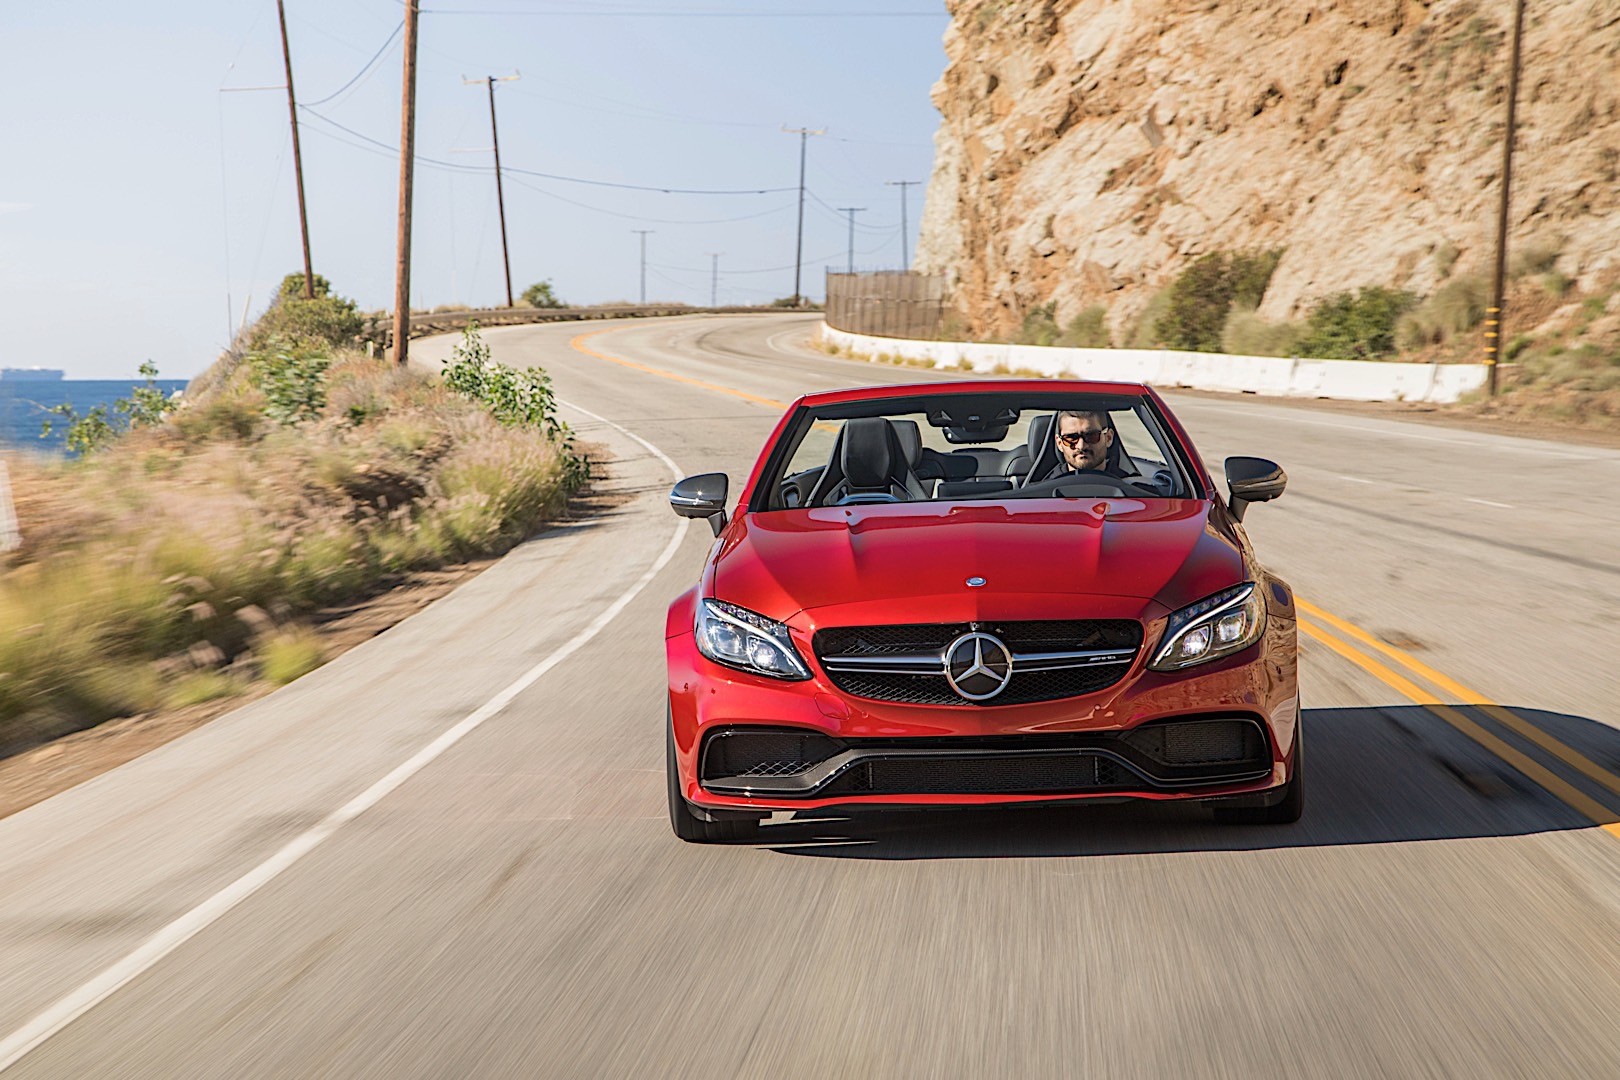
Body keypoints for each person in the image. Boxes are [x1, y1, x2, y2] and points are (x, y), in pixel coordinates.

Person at [1052, 409, 1125, 477]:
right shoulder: (1046, 489)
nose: (1081, 446)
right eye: (1071, 438)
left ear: (1108, 438)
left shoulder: (1129, 488)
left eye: (1091, 436)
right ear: (1059, 443)